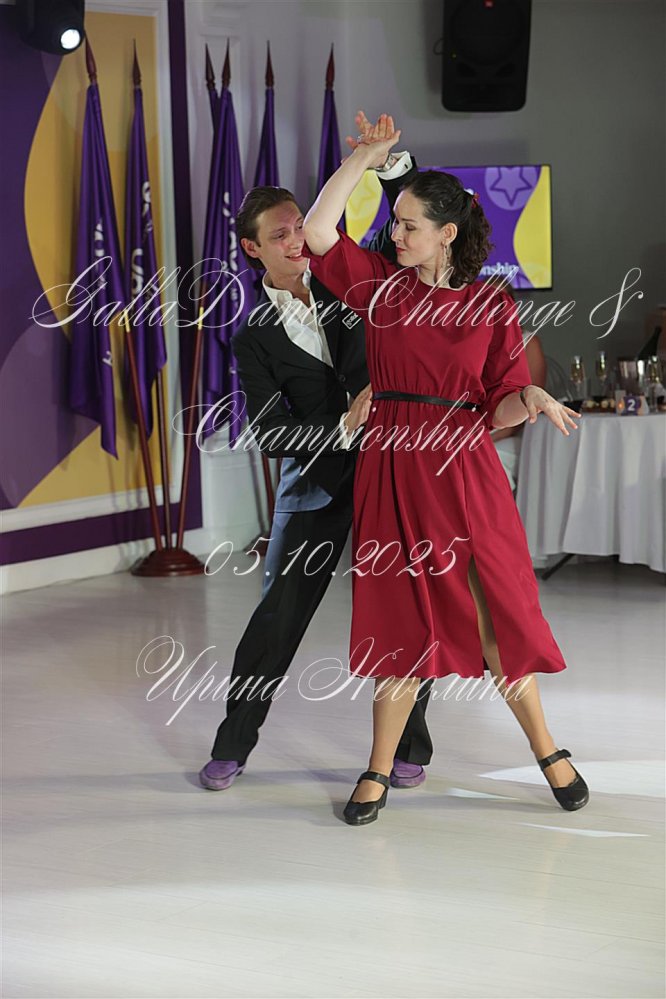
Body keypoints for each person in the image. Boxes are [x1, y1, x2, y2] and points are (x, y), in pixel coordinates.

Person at [303, 113, 589, 825]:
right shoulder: (382, 287)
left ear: (447, 234)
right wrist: (365, 160)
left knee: (496, 615)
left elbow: (498, 402)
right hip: (395, 467)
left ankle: (548, 750)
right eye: (394, 223)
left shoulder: (492, 302)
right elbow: (317, 232)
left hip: (465, 469)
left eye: (408, 226)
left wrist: (531, 396)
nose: (395, 235)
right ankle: (377, 768)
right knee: (399, 620)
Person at [199, 139, 434, 792]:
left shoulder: (353, 280)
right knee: (277, 617)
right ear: (252, 248)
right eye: (280, 234)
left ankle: (409, 746)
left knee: (405, 610)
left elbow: (408, 231)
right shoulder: (252, 336)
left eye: (300, 225)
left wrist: (389, 164)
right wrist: (342, 427)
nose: (297, 239)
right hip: (315, 483)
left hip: (390, 473)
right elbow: (270, 432)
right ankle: (232, 743)